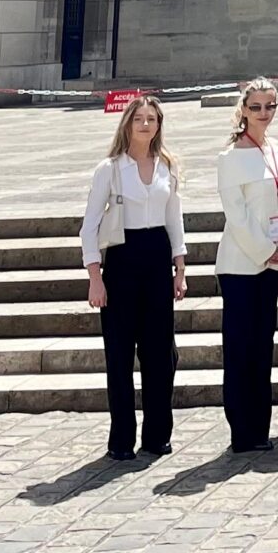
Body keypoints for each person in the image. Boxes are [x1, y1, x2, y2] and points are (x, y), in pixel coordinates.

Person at [83, 94, 185, 461]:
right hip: (122, 261)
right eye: (139, 118)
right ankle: (121, 439)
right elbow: (89, 227)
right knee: (121, 355)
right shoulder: (109, 169)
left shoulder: (166, 167)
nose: (145, 124)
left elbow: (175, 218)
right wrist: (96, 276)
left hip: (157, 256)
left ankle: (157, 435)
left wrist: (180, 267)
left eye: (152, 119)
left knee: (160, 354)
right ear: (127, 123)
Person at [215, 78, 278, 454]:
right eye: (257, 107)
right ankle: (241, 431)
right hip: (241, 264)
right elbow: (237, 215)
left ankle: (260, 429)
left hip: (273, 262)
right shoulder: (230, 157)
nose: (264, 114)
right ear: (244, 110)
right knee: (241, 348)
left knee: (263, 346)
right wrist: (265, 250)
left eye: (270, 106)